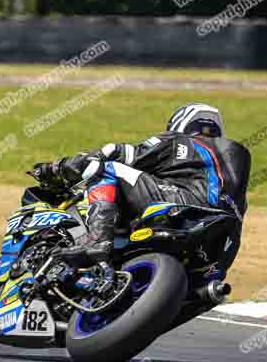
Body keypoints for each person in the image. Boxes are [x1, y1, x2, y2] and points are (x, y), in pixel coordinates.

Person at [31, 103, 250, 270]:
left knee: (107, 169)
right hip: (222, 250)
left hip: (187, 206)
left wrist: (58, 168)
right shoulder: (236, 161)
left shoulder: (177, 141)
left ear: (181, 124)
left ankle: (97, 239)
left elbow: (114, 152)